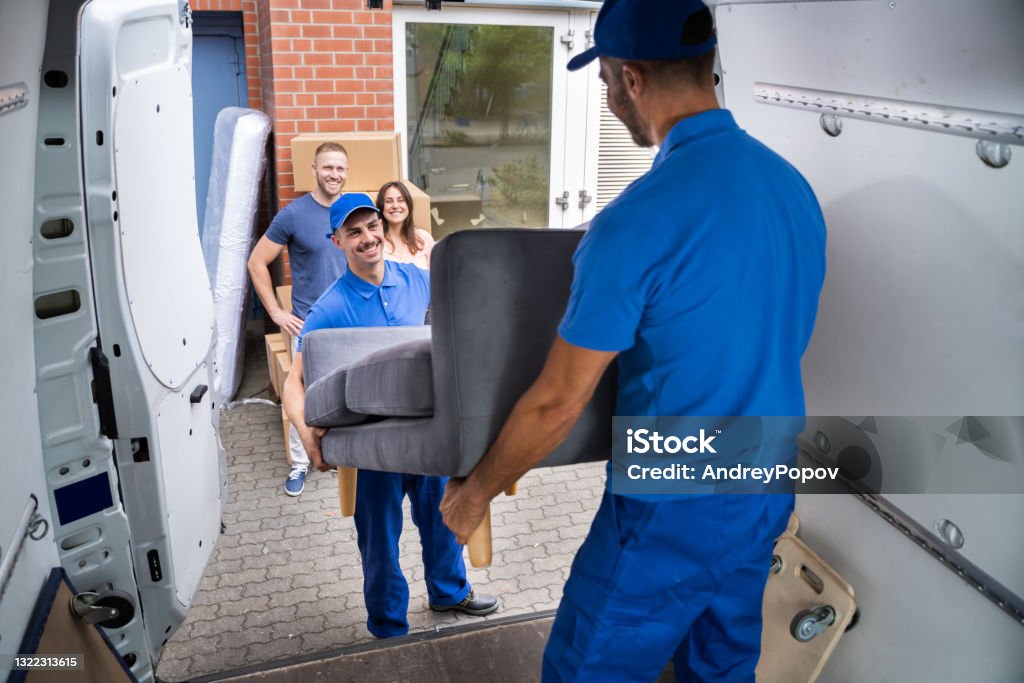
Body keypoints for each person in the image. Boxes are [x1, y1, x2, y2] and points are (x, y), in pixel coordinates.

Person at [439, 0, 827, 681]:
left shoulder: (634, 223)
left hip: (671, 506)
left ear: (633, 80)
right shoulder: (793, 190)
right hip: (765, 483)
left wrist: (473, 497)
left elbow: (557, 402)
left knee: (588, 668)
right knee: (722, 664)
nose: (608, 95)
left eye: (606, 81)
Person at [281, 193, 499, 639]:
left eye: (372, 227)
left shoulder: (420, 281)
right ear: (337, 240)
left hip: (426, 433)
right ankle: (388, 625)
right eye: (354, 232)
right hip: (372, 445)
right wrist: (307, 436)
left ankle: (448, 592)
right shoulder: (330, 307)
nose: (367, 238)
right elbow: (294, 380)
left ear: (383, 227)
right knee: (379, 539)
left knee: (442, 519)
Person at [247, 141, 349, 496]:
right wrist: (276, 311)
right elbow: (257, 262)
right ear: (315, 171)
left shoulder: (354, 212)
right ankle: (300, 463)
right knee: (300, 394)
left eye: (340, 168)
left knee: (347, 390)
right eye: (328, 167)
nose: (334, 174)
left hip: (350, 321)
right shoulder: (294, 214)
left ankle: (343, 455)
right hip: (308, 322)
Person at [376, 180, 435, 269]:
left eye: (401, 200)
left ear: (408, 205)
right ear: (381, 207)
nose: (395, 206)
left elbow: (436, 277)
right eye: (389, 201)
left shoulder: (424, 238)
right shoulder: (375, 242)